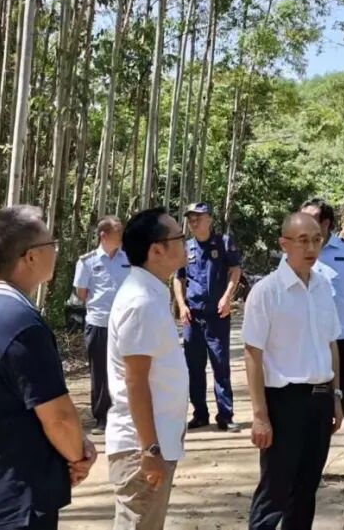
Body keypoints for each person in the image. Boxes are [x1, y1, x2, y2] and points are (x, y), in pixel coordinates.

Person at [0, 206, 97, 530]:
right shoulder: (21, 325)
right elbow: (58, 417)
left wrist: (76, 445)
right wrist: (77, 455)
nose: (56, 251)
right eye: (52, 244)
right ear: (31, 256)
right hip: (17, 499)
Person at [242, 213, 344, 530]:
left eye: (316, 240)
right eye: (302, 241)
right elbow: (252, 354)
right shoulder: (267, 292)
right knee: (275, 489)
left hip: (320, 399)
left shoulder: (323, 286)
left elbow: (331, 344)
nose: (311, 248)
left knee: (306, 489)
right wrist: (260, 415)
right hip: (284, 402)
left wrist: (336, 397)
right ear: (284, 244)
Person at [106, 208, 189, 530]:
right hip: (141, 445)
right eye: (179, 237)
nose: (185, 243)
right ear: (157, 250)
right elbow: (135, 381)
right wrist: (149, 448)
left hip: (155, 440)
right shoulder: (140, 301)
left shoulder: (152, 293)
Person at [299, 199, 344, 480]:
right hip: (307, 342)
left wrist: (341, 316)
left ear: (326, 223)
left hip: (343, 340)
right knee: (310, 403)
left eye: (311, 219)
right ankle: (310, 466)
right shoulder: (293, 251)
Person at [172, 202, 242, 432]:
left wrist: (227, 297)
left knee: (220, 366)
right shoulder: (186, 247)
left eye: (198, 218)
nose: (194, 223)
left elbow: (235, 270)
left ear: (209, 219)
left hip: (217, 315)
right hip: (193, 317)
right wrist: (181, 305)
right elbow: (178, 278)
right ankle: (200, 414)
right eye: (191, 219)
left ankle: (225, 415)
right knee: (194, 368)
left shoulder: (224, 243)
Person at [73, 216, 130, 433]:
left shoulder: (128, 258)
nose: (122, 236)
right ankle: (102, 417)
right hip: (99, 323)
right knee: (100, 372)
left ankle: (125, 414)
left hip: (124, 324)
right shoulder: (87, 261)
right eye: (118, 233)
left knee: (126, 369)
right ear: (103, 236)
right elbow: (81, 293)